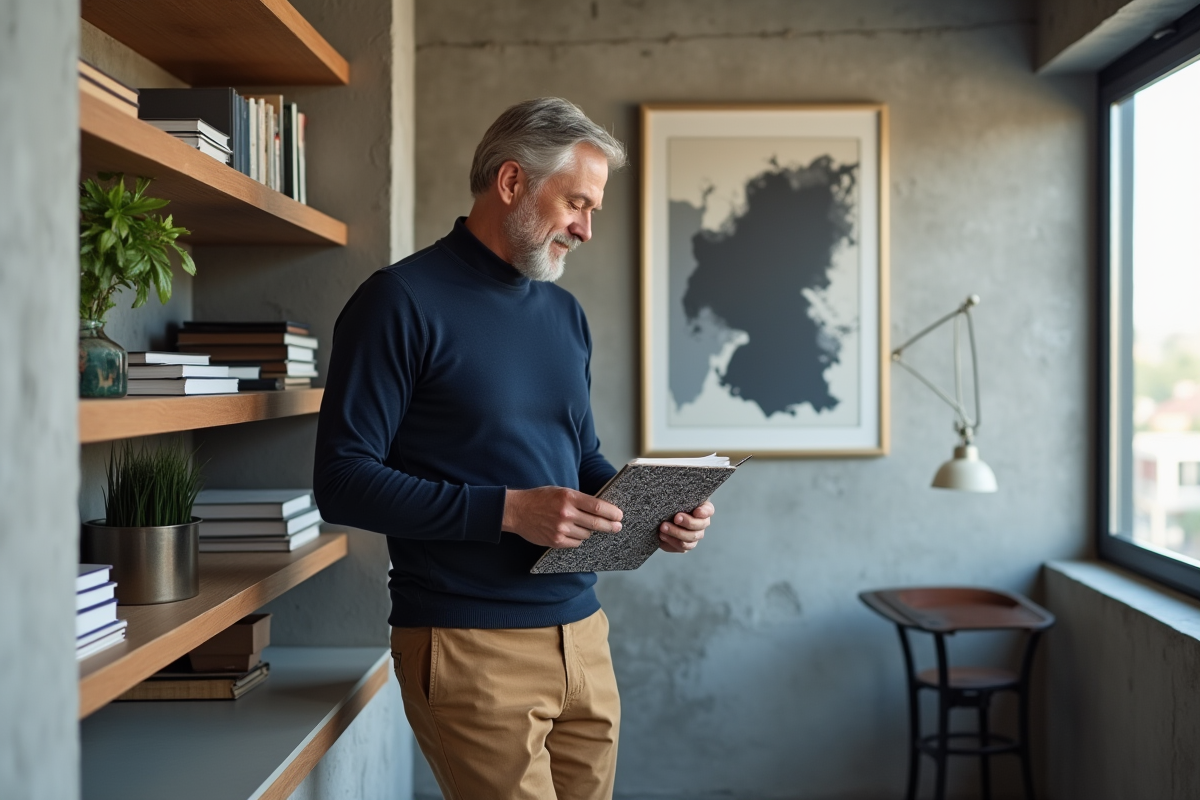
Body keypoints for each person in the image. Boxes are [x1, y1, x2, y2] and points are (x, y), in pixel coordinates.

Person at [313, 97, 715, 800]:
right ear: (511, 184)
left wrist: (654, 510)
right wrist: (507, 511)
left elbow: (578, 457)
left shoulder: (564, 314)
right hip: (467, 644)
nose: (587, 229)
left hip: (584, 635)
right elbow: (342, 481)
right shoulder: (398, 302)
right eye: (577, 204)